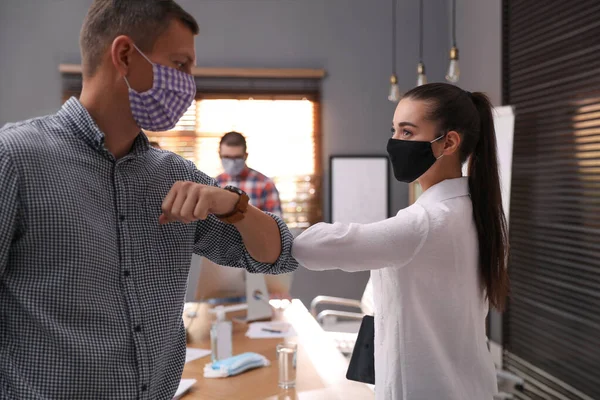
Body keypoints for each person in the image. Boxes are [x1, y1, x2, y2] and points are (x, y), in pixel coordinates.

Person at [0, 1, 297, 399]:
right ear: (124, 55)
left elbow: (277, 255)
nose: (189, 84)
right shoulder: (15, 158)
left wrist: (231, 204)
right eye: (180, 64)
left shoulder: (177, 176)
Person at [293, 83, 508, 399]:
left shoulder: (427, 222)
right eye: (394, 130)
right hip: (469, 385)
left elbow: (323, 246)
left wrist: (238, 210)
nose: (394, 142)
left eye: (407, 132)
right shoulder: (472, 209)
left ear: (448, 142)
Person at [216, 131, 283, 217]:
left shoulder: (265, 184)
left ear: (245, 156)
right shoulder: (214, 184)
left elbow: (276, 226)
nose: (232, 163)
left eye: (237, 157)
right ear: (220, 155)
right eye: (227, 157)